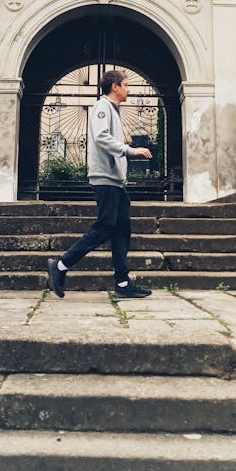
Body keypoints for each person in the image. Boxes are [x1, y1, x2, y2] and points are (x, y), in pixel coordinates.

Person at [47, 70, 153, 299]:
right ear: (114, 86)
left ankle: (123, 284)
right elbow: (102, 137)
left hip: (115, 181)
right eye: (125, 85)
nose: (128, 89)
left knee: (122, 231)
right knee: (105, 227)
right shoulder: (102, 107)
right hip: (105, 179)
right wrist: (130, 150)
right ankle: (61, 265)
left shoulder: (113, 110)